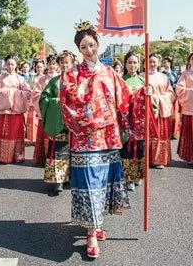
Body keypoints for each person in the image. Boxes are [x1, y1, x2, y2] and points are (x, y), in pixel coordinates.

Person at [59, 21, 131, 259]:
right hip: (85, 138)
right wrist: (87, 88)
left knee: (103, 184)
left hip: (108, 138)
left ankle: (97, 223)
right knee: (90, 184)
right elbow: (69, 99)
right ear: (78, 50)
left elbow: (124, 100)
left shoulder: (110, 72)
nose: (88, 50)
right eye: (83, 46)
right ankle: (91, 233)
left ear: (98, 44)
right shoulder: (71, 75)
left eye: (91, 44)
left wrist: (144, 95)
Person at [0, 55, 31, 164]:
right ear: (5, 65)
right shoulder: (1, 78)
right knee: (1, 132)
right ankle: (0, 155)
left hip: (15, 111)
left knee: (15, 132)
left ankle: (16, 155)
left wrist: (14, 93)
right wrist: (7, 93)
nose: (10, 66)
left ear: (16, 66)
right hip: (4, 111)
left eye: (12, 64)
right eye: (8, 64)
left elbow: (27, 92)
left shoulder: (20, 79)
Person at [39, 51, 71, 193]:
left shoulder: (78, 80)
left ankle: (69, 177)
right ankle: (57, 180)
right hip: (57, 120)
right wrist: (56, 102)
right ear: (59, 64)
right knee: (58, 150)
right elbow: (43, 99)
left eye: (67, 62)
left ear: (72, 64)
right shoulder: (53, 82)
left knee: (73, 151)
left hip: (73, 123)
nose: (65, 65)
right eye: (62, 62)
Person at [119, 51, 146, 191]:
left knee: (140, 149)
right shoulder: (121, 81)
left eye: (135, 62)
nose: (132, 65)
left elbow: (150, 102)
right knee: (127, 149)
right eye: (129, 62)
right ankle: (129, 177)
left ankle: (138, 176)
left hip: (140, 122)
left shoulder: (143, 81)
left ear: (139, 64)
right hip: (126, 121)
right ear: (125, 64)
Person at [147, 53, 175, 169]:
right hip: (148, 111)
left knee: (160, 135)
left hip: (160, 110)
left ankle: (159, 159)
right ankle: (146, 158)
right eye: (150, 62)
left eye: (154, 62)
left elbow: (170, 93)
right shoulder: (143, 76)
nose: (152, 64)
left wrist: (158, 99)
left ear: (158, 63)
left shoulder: (163, 77)